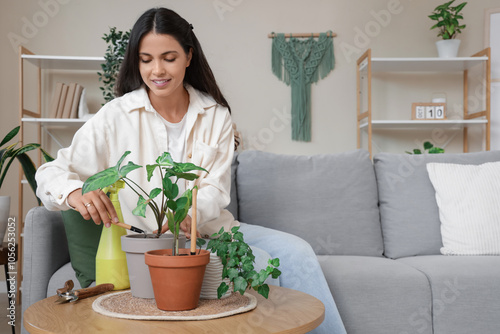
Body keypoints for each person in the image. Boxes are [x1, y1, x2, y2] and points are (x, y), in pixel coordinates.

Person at [35, 7, 346, 334]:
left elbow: (216, 189)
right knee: (260, 264)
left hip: (216, 231)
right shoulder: (116, 116)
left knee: (298, 251)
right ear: (136, 61)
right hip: (159, 247)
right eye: (146, 59)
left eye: (168, 57)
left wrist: (189, 211)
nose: (157, 70)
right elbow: (51, 172)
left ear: (188, 56)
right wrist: (71, 191)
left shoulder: (215, 115)